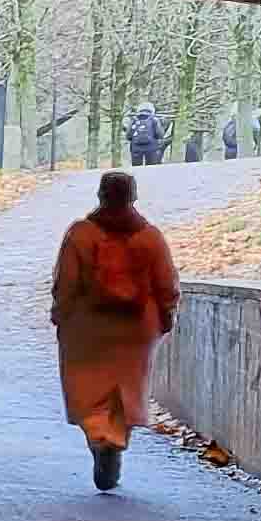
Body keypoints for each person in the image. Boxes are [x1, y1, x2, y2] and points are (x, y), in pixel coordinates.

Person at [50, 169, 179, 490]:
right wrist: (165, 315)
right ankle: (116, 440)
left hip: (87, 327)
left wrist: (60, 314)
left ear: (100, 196)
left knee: (89, 389)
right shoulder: (150, 237)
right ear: (133, 197)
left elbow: (65, 281)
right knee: (125, 388)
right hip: (135, 328)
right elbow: (166, 283)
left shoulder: (81, 234)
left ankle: (99, 440)